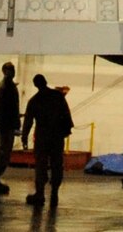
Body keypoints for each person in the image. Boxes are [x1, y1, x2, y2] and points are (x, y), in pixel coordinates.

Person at [22, 73, 76, 209]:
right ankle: (54, 193)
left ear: (35, 85)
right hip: (57, 137)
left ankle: (39, 194)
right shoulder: (57, 96)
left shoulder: (34, 100)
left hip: (42, 137)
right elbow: (66, 113)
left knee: (41, 165)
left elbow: (28, 121)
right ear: (46, 82)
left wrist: (24, 138)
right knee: (57, 164)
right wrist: (66, 131)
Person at [0, 61, 22, 196]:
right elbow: (1, 109)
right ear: (4, 71)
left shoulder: (10, 87)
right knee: (1, 153)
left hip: (7, 126)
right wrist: (12, 123)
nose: (12, 72)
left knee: (5, 153)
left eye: (13, 69)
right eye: (10, 69)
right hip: (3, 127)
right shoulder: (3, 88)